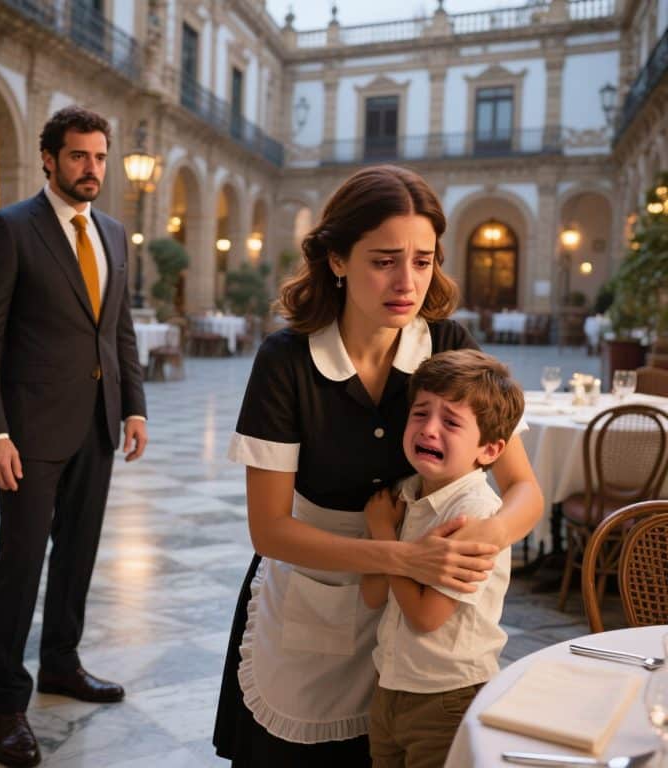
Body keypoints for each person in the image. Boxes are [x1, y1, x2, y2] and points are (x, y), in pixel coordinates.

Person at [212, 164, 542, 767]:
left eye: (423, 260)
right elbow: (270, 530)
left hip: (420, 641)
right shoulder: (286, 362)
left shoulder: (448, 345)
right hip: (314, 598)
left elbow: (523, 488)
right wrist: (404, 556)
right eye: (384, 259)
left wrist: (480, 540)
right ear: (336, 259)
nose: (407, 281)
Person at [0, 106, 148, 768]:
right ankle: (8, 703)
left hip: (97, 424)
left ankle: (62, 663)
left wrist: (135, 407)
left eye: (99, 157)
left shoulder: (117, 234)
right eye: (77, 157)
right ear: (48, 158)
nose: (90, 168)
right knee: (21, 563)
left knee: (78, 555)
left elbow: (118, 329)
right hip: (28, 431)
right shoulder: (8, 229)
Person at [361, 348, 524, 768]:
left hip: (446, 697)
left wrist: (384, 536)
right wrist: (393, 548)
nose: (429, 429)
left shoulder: (475, 515)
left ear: (489, 450)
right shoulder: (405, 494)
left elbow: (426, 617)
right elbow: (371, 594)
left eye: (451, 422)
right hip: (391, 685)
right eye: (420, 413)